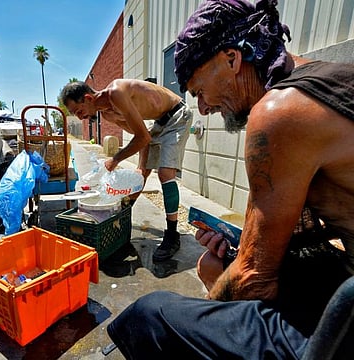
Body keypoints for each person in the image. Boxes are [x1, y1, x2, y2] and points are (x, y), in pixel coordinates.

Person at [106, 0, 354, 358]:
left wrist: (211, 301)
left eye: (200, 92)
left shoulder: (280, 113)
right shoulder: (326, 81)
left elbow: (255, 279)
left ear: (232, 60)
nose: (203, 108)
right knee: (224, 264)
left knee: (150, 314)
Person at [60, 79, 193, 261]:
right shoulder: (108, 115)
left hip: (177, 115)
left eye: (79, 111)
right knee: (141, 176)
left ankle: (172, 234)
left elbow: (142, 137)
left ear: (88, 98)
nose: (81, 117)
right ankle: (121, 219)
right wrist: (141, 169)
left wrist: (115, 159)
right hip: (159, 123)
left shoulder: (116, 92)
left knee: (165, 173)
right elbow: (143, 136)